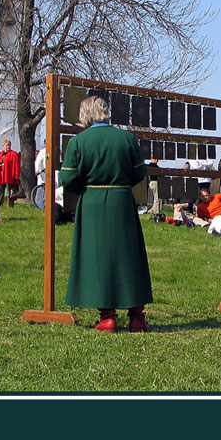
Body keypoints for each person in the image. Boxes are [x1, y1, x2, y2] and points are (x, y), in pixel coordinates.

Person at [60, 96, 153, 333]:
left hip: (92, 203)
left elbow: (68, 178)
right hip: (122, 201)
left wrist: (87, 187)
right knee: (130, 256)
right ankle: (137, 316)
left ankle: (107, 316)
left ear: (86, 115)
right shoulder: (127, 139)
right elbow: (139, 173)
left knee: (98, 258)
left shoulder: (78, 142)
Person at [0, 139, 21, 207]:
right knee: (1, 190)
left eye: (9, 145)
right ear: (3, 146)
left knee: (10, 190)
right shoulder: (1, 153)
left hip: (9, 174)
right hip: (1, 174)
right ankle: (0, 204)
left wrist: (17, 175)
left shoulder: (13, 153)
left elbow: (16, 165)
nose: (8, 147)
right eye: (6, 145)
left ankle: (10, 204)